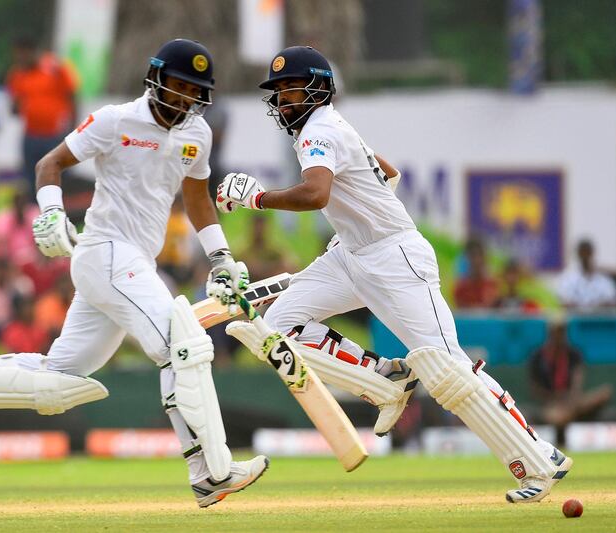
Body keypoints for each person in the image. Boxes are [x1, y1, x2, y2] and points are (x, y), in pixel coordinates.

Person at [0, 39, 267, 508]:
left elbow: (197, 201)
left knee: (58, 381)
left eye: (192, 92)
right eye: (176, 86)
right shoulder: (117, 120)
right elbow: (49, 163)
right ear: (156, 79)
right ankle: (209, 472)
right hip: (107, 253)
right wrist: (52, 213)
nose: (182, 99)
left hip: (132, 264)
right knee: (182, 345)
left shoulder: (198, 135)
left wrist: (221, 259)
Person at [218, 46, 571, 504]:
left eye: (292, 87)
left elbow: (317, 194)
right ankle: (385, 380)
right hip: (351, 255)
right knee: (279, 326)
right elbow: (389, 172)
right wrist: (362, 220)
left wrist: (258, 199)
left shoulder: (319, 129)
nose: (284, 98)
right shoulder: (327, 130)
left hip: (393, 257)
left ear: (321, 89)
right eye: (278, 91)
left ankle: (542, 462)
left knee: (449, 370)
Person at [6, 37, 79, 195]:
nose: (19, 59)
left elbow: (72, 96)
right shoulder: (18, 74)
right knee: (31, 179)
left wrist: (74, 130)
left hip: (55, 135)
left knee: (57, 176)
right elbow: (14, 109)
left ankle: (60, 214)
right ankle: (34, 215)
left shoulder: (54, 67)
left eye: (22, 54)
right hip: (31, 135)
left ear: (32, 51)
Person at [528, 317, 613, 447]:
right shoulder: (538, 356)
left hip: (572, 401)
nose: (559, 336)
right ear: (550, 333)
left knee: (605, 392)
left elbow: (577, 382)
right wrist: (555, 398)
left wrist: (570, 398)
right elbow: (534, 387)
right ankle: (564, 425)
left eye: (562, 332)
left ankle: (569, 413)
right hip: (551, 403)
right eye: (556, 332)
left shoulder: (573, 354)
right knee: (557, 416)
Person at [557, 239, 616, 310]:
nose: (585, 256)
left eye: (588, 252)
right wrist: (584, 309)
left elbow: (612, 301)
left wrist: (593, 309)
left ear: (592, 253)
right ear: (578, 254)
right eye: (583, 252)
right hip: (576, 319)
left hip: (599, 319)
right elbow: (563, 302)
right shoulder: (568, 277)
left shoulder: (603, 278)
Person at [453, 238, 499, 309]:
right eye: (473, 257)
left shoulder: (492, 285)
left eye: (479, 256)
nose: (476, 261)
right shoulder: (461, 288)